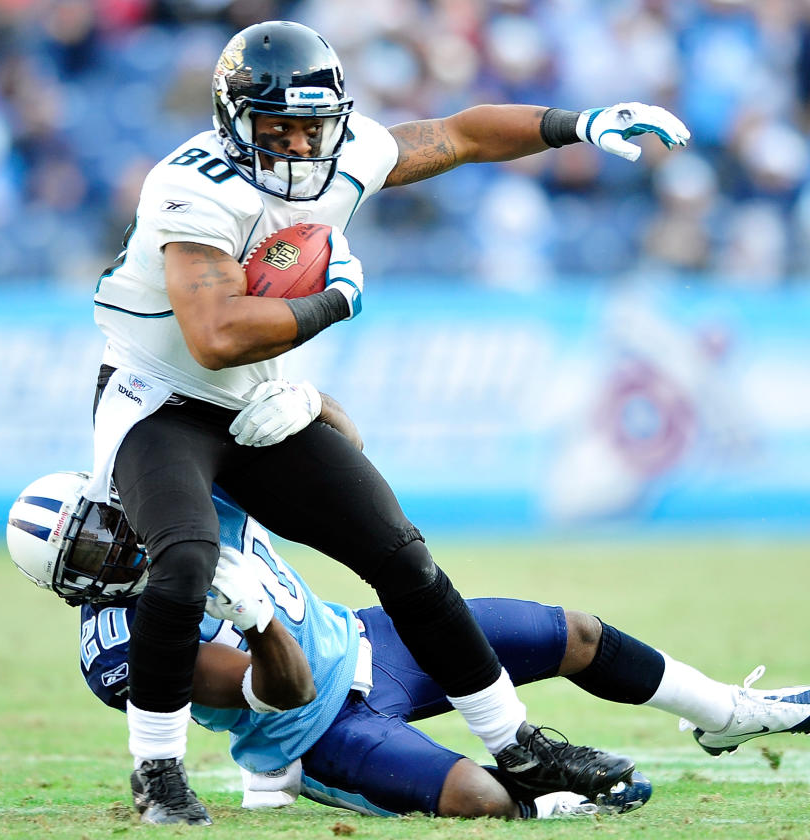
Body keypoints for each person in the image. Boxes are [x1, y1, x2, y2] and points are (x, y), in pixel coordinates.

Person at [87, 18, 692, 825]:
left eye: (313, 128)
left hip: (256, 398)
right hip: (159, 398)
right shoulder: (193, 185)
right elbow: (214, 334)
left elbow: (458, 133)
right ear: (232, 122)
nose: (300, 149)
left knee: (400, 556)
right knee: (186, 560)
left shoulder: (349, 151)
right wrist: (334, 298)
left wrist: (573, 124)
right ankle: (157, 772)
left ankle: (520, 744)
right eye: (278, 130)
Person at [7, 470, 810, 822]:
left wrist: (295, 405)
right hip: (314, 730)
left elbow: (317, 437)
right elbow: (283, 693)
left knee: (577, 634)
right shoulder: (121, 649)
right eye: (89, 556)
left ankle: (728, 713)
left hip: (373, 639)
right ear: (71, 586)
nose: (117, 548)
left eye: (108, 526)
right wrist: (256, 615)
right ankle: (546, 804)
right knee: (480, 801)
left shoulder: (181, 490)